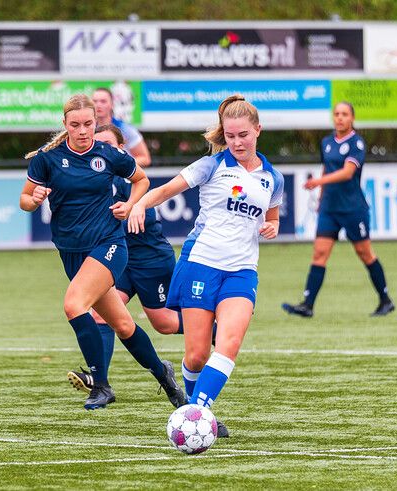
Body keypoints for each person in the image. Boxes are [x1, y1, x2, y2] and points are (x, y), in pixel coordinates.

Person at [19, 94, 185, 411]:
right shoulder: (46, 158)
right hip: (71, 253)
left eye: (88, 124)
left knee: (74, 304)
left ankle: (101, 384)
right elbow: (24, 201)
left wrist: (131, 204)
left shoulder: (108, 154)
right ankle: (164, 376)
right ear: (65, 125)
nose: (82, 131)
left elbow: (142, 179)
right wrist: (35, 197)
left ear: (96, 123)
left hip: (109, 245)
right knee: (122, 325)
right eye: (75, 125)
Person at [129, 95, 283, 426]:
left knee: (228, 343)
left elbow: (273, 216)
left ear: (258, 130)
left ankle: (198, 413)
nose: (237, 142)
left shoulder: (273, 178)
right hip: (201, 264)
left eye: (244, 134)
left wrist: (272, 226)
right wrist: (140, 204)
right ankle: (193, 406)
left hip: (242, 271)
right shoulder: (211, 165)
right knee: (197, 355)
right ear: (223, 135)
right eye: (230, 136)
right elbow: (168, 189)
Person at [282, 101, 394, 318]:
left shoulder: (356, 143)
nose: (340, 118)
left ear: (352, 118)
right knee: (319, 254)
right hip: (329, 210)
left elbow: (347, 173)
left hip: (352, 209)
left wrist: (318, 181)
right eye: (336, 114)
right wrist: (322, 197)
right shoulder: (326, 142)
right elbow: (327, 167)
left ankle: (385, 299)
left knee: (365, 253)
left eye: (344, 114)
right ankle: (307, 305)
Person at [92, 87, 151, 167]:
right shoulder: (86, 130)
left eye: (103, 101)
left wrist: (121, 165)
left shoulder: (125, 129)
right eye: (95, 101)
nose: (98, 105)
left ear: (112, 104)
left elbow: (145, 158)